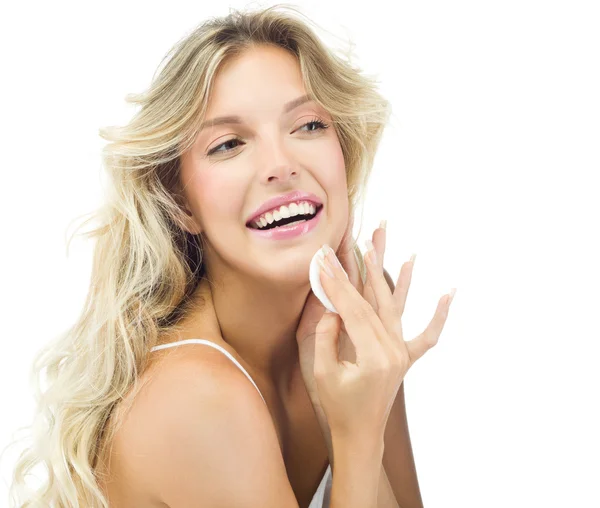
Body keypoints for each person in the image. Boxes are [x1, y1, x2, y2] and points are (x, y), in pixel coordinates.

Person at [7, 4, 454, 507]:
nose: (280, 165)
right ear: (180, 205)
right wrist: (354, 435)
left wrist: (355, 413)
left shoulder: (359, 316)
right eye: (228, 144)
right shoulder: (197, 397)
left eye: (308, 125)